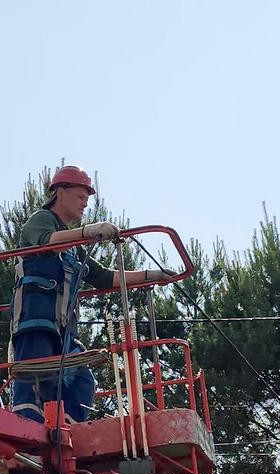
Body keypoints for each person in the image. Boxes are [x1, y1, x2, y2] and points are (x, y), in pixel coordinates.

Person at [9, 165, 171, 423]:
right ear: (60, 192)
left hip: (63, 329)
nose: (85, 204)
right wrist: (89, 232)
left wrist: (152, 275)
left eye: (87, 199)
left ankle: (70, 430)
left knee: (82, 378)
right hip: (36, 319)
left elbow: (106, 277)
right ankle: (25, 431)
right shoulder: (41, 220)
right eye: (80, 197)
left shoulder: (73, 248)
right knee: (34, 376)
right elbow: (46, 241)